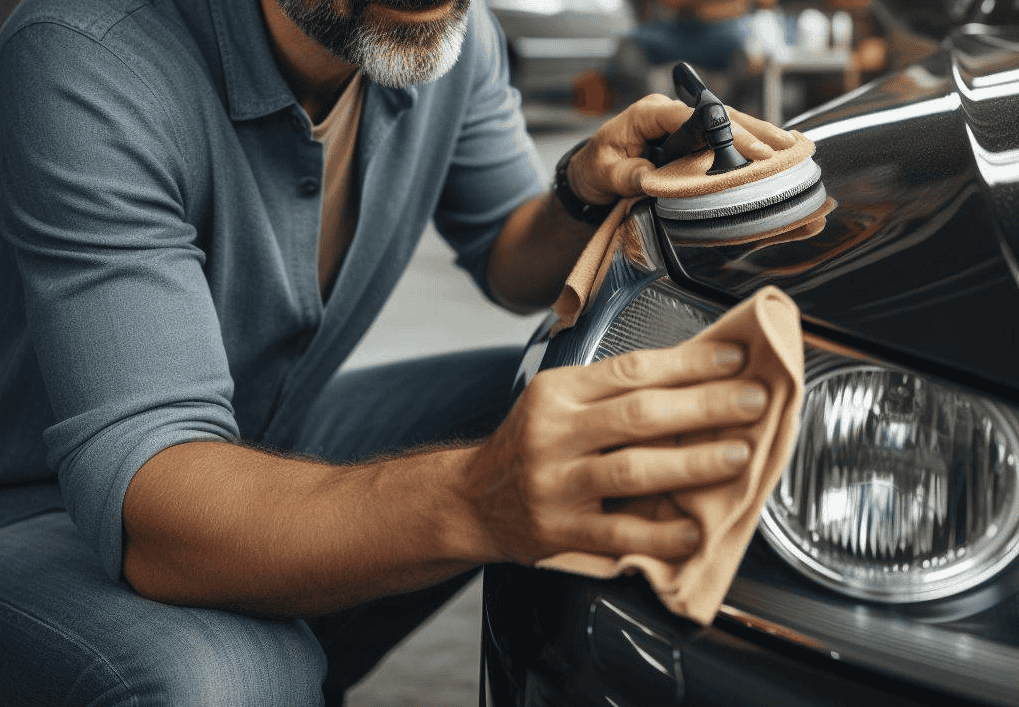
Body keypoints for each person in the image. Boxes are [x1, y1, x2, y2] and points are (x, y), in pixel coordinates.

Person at [0, 0, 770, 703]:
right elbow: (153, 495)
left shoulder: (445, 36)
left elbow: (509, 256)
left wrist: (583, 186)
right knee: (225, 674)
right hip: (43, 501)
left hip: (253, 429)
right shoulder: (84, 55)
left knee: (551, 397)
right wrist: (473, 496)